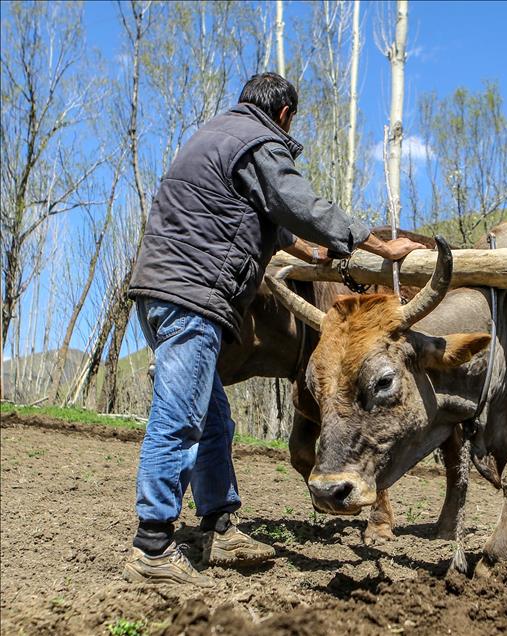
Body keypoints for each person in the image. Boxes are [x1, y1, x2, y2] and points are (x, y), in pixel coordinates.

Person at [123, 73, 425, 586]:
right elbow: (299, 204)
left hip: (164, 293)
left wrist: (329, 255)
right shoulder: (257, 140)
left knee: (213, 419)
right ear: (284, 114)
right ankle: (152, 547)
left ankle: (218, 525)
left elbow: (280, 228)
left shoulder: (215, 138)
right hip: (192, 297)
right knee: (179, 419)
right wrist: (376, 245)